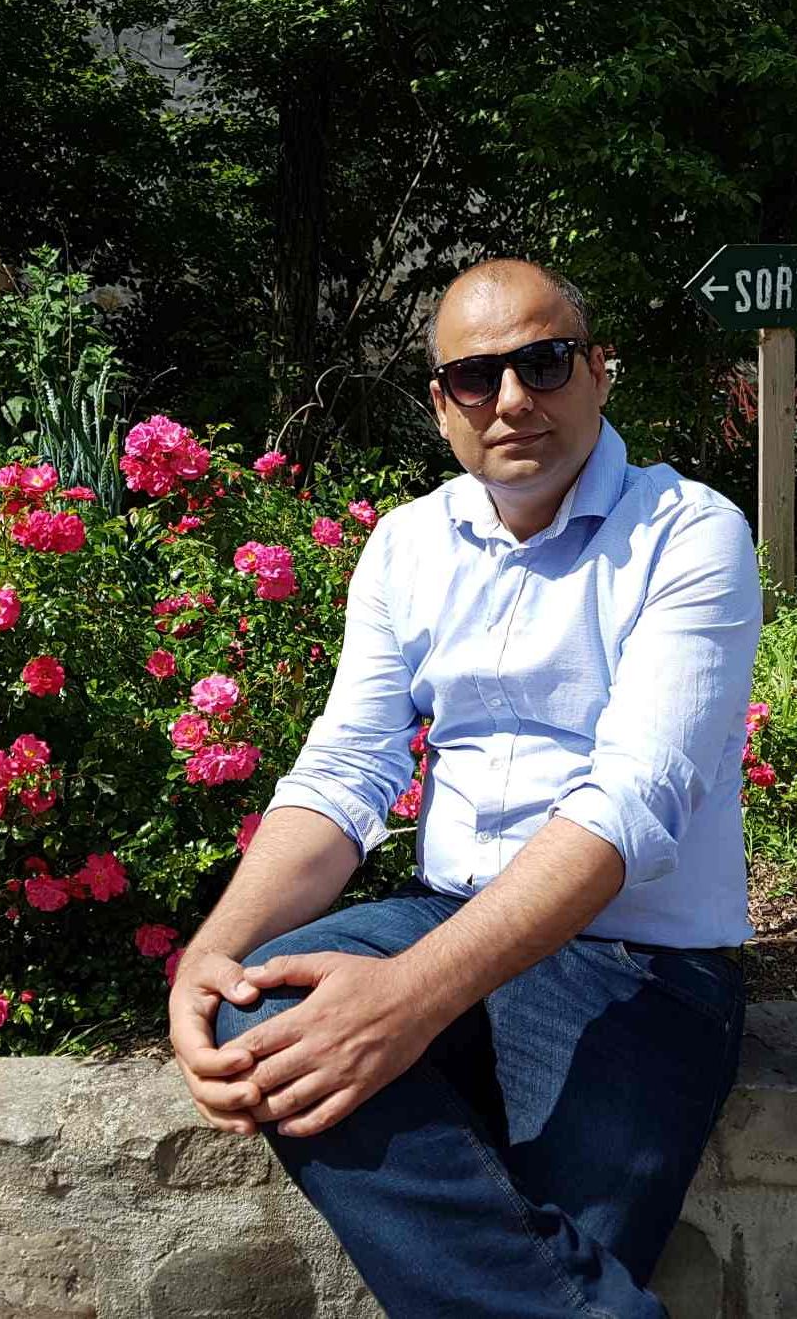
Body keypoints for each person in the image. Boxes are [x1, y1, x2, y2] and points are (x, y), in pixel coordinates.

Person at [168, 257, 761, 1317]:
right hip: (443, 915)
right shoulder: (408, 545)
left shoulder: (689, 533)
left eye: (545, 362)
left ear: (598, 371)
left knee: (540, 1269)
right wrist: (208, 956)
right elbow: (347, 770)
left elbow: (631, 803)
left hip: (637, 968)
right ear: (443, 406)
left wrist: (407, 1000)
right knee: (253, 1007)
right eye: (478, 377)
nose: (514, 399)